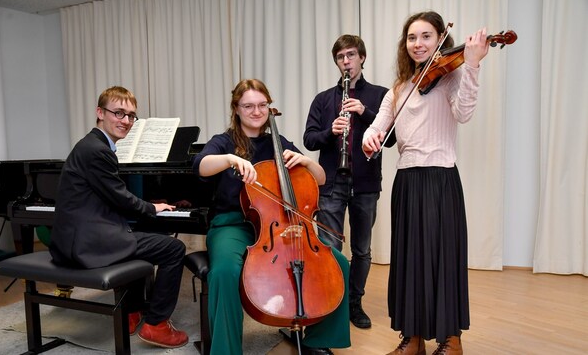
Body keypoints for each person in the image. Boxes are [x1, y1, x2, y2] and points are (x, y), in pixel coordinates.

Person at [362, 11, 490, 355]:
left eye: (426, 36)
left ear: (440, 40)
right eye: (411, 38)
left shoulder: (451, 76)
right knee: (408, 261)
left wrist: (474, 65)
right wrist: (369, 138)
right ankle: (413, 337)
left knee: (441, 258)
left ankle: (451, 339)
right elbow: (378, 125)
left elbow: (464, 113)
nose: (418, 44)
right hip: (407, 180)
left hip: (440, 178)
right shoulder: (400, 88)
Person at [193, 79, 351, 355]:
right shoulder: (223, 142)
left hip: (278, 226)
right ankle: (226, 350)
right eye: (249, 106)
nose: (256, 111)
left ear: (269, 106)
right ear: (237, 109)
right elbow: (201, 167)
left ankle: (317, 339)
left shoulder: (278, 142)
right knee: (224, 272)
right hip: (232, 223)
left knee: (338, 263)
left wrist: (307, 162)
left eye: (262, 105)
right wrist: (231, 159)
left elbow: (321, 179)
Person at [49, 86, 189, 349]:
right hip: (87, 244)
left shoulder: (91, 144)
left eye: (131, 116)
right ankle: (156, 324)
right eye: (119, 113)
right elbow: (120, 197)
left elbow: (112, 198)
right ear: (100, 113)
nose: (125, 121)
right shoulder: (98, 150)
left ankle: (131, 311)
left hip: (78, 237)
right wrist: (151, 207)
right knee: (173, 248)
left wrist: (148, 206)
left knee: (146, 237)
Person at [303, 34, 394, 329]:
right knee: (329, 247)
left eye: (351, 55)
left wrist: (365, 114)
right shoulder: (323, 99)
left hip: (366, 183)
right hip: (331, 184)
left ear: (362, 58)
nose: (346, 61)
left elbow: (391, 139)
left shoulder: (380, 96)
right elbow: (309, 139)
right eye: (341, 57)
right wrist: (330, 131)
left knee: (362, 250)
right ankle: (332, 302)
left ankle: (355, 303)